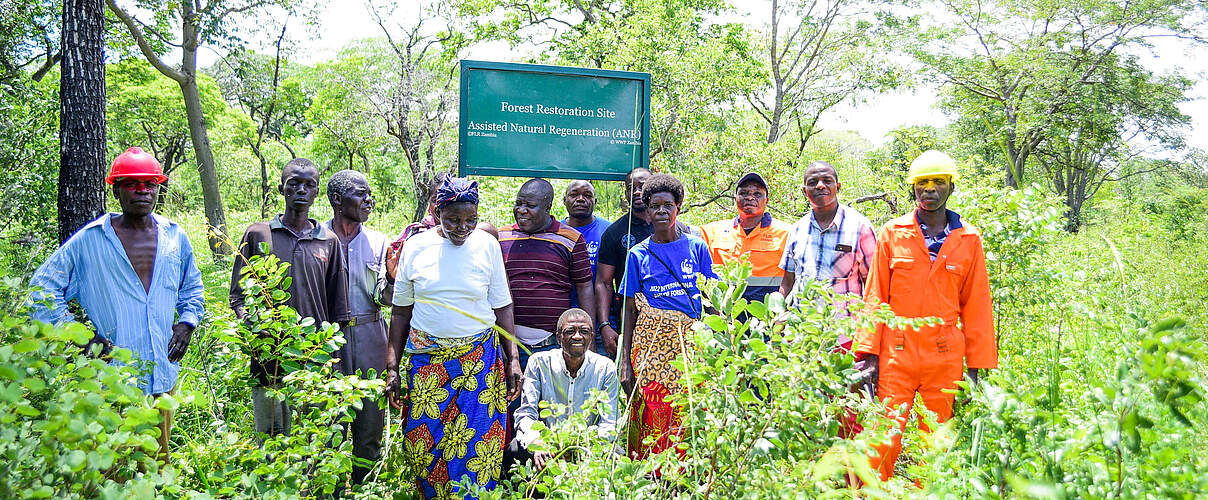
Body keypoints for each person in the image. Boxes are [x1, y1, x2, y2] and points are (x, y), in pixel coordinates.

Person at [28, 147, 205, 461]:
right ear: (115, 189)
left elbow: (191, 288)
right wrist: (79, 336)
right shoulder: (90, 240)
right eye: (131, 183)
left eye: (149, 183)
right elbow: (41, 290)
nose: (142, 190)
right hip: (112, 379)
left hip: (163, 375)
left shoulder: (175, 237)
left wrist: (187, 323)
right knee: (113, 468)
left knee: (157, 464)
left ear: (158, 187)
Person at [855, 150, 997, 481]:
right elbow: (875, 295)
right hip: (896, 354)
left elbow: (976, 304)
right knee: (882, 440)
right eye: (922, 183)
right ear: (913, 188)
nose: (929, 189)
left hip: (944, 357)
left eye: (937, 182)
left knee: (935, 444)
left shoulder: (968, 239)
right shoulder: (893, 231)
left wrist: (975, 370)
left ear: (951, 188)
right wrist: (868, 356)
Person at [385, 177, 523, 498]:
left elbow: (502, 306)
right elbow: (401, 312)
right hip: (428, 366)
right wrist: (392, 366)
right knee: (425, 447)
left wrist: (513, 359)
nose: (463, 228)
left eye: (470, 220)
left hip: (480, 362)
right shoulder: (416, 247)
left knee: (479, 448)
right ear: (436, 212)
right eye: (453, 220)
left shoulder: (487, 245)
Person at [229, 158, 350, 438]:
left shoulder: (328, 240)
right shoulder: (258, 234)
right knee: (272, 437)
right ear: (281, 188)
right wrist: (259, 333)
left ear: (317, 192)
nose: (301, 190)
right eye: (294, 183)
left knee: (314, 439)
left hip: (314, 360)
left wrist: (327, 356)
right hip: (268, 359)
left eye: (309, 185)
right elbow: (238, 297)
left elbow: (338, 310)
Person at [616, 173, 718, 460]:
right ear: (647, 212)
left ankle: (686, 478)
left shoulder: (696, 248)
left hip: (690, 347)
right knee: (653, 411)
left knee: (690, 411)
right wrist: (625, 362)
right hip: (650, 346)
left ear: (679, 207)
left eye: (667, 205)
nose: (661, 211)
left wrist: (721, 342)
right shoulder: (637, 255)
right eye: (655, 206)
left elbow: (711, 299)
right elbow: (629, 309)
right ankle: (651, 477)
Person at [323, 169, 388, 485]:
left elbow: (386, 296)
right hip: (326, 341)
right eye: (361, 194)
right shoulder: (316, 238)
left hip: (370, 336)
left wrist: (395, 276)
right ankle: (329, 489)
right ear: (338, 199)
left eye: (369, 193)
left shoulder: (378, 241)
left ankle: (366, 487)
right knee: (328, 423)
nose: (368, 200)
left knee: (369, 423)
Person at [504, 308, 619, 473]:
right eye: (570, 331)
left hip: (587, 444)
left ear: (591, 337)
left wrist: (585, 447)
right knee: (514, 451)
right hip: (547, 445)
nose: (577, 336)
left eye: (584, 331)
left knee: (616, 454)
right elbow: (525, 414)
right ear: (558, 337)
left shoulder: (605, 367)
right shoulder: (539, 363)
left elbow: (609, 423)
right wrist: (538, 442)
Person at [595, 168, 693, 359]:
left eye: (643, 187)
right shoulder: (614, 232)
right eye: (632, 188)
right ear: (626, 194)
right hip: (632, 322)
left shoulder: (682, 231)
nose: (637, 192)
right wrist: (605, 325)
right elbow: (604, 282)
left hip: (679, 324)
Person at [499, 178, 596, 365]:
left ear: (547, 207)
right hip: (510, 346)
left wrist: (588, 341)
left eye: (530, 205)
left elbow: (584, 288)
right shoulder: (502, 237)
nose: (521, 210)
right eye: (518, 204)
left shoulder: (571, 238)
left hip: (553, 346)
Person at [778, 161, 878, 322]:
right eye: (812, 182)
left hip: (844, 335)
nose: (819, 186)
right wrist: (778, 320)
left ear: (838, 187)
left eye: (826, 180)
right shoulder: (797, 230)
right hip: (801, 335)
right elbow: (788, 281)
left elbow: (874, 284)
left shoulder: (860, 227)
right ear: (805, 191)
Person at [699, 172, 790, 304]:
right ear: (735, 198)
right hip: (726, 317)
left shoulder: (786, 233)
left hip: (766, 317)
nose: (750, 198)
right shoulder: (714, 231)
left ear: (767, 200)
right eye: (744, 193)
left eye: (757, 194)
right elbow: (678, 233)